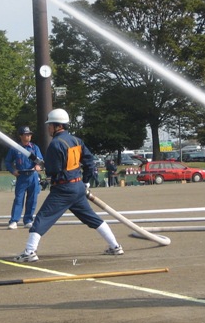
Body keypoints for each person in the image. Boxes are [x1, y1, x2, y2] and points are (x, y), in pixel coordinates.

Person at [13, 108, 124, 263]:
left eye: (50, 125)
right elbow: (89, 162)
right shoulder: (77, 141)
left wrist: (45, 167)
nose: (48, 128)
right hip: (77, 187)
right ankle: (115, 246)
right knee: (92, 218)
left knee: (42, 218)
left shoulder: (55, 145)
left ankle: (30, 252)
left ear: (57, 126)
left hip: (63, 189)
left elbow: (53, 171)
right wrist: (85, 181)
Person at [4, 126, 43, 229]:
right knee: (18, 199)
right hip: (21, 176)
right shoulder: (15, 148)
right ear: (21, 136)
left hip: (33, 176)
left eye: (29, 134)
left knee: (32, 199)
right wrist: (13, 171)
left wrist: (38, 166)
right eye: (26, 134)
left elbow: (40, 160)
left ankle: (28, 220)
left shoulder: (34, 147)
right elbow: (7, 161)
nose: (28, 136)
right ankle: (14, 221)